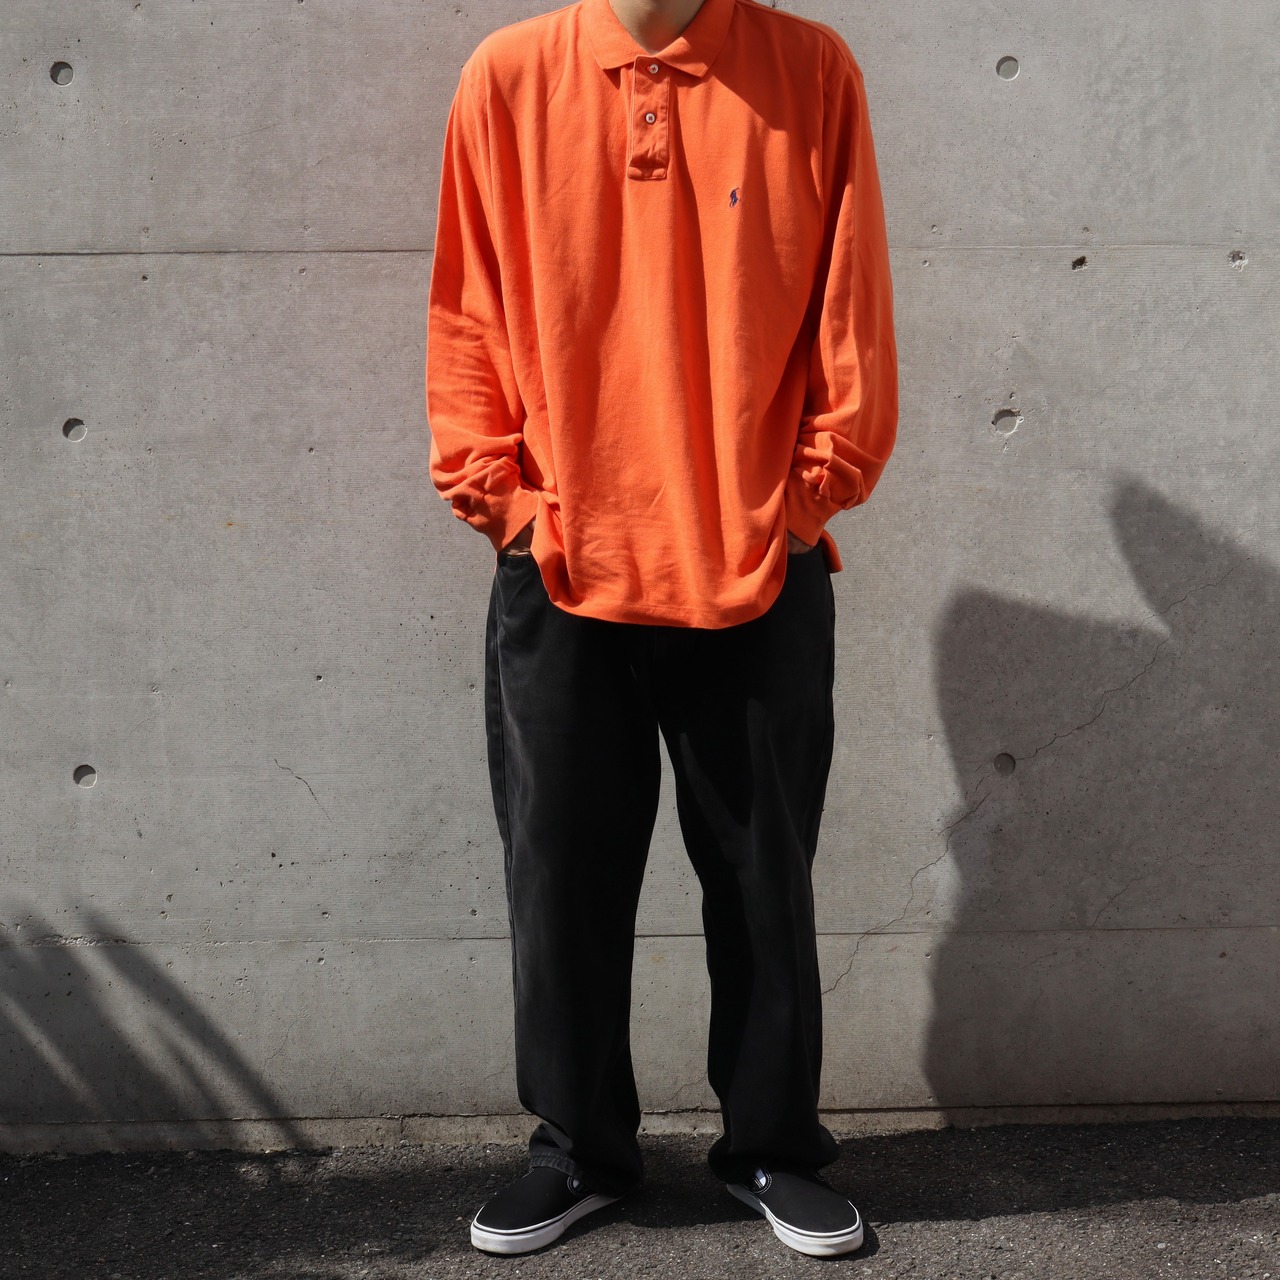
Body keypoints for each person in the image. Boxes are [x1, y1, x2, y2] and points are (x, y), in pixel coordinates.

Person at [425, 0, 897, 1259]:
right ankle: (577, 1148)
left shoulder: (807, 69)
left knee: (763, 876)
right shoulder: (510, 76)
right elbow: (467, 307)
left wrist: (804, 501)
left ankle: (772, 1145)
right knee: (560, 875)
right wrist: (504, 505)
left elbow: (848, 302)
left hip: (754, 557)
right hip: (562, 557)